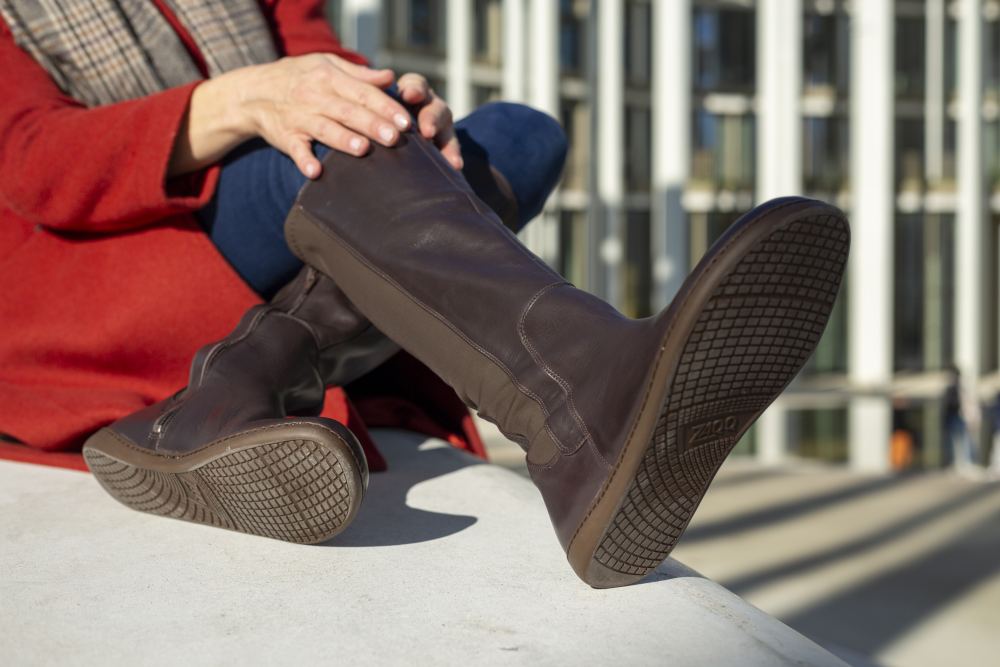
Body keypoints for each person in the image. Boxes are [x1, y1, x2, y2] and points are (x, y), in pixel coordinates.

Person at [1, 1, 851, 589]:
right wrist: (249, 98)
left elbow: (324, 59)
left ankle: (236, 378)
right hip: (109, 249)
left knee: (520, 137)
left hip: (290, 194)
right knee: (354, 160)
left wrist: (396, 106)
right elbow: (33, 161)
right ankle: (577, 396)